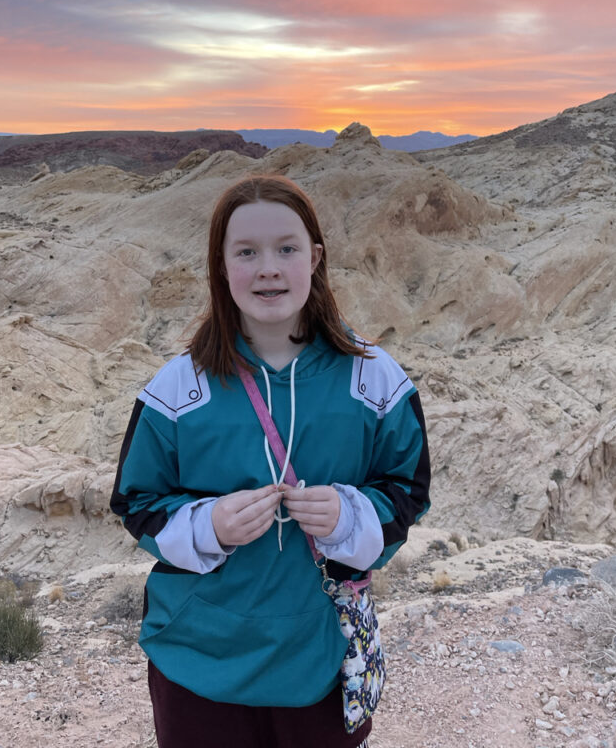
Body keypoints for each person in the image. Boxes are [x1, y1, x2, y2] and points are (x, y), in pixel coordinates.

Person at [110, 175, 431, 748]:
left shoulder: (375, 379)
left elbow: (407, 490)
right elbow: (137, 502)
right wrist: (207, 525)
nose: (268, 268)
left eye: (286, 248)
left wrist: (350, 515)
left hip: (322, 658)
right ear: (221, 265)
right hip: (197, 662)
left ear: (315, 258)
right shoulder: (178, 388)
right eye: (247, 252)